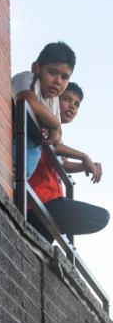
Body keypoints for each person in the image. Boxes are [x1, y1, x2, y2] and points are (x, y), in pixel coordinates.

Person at [25, 82, 109, 243]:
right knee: (100, 217)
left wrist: (84, 166)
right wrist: (84, 157)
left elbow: (63, 164)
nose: (72, 107)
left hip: (50, 202)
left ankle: (48, 229)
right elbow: (55, 147)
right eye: (67, 100)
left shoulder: (58, 134)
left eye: (76, 104)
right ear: (56, 100)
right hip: (42, 199)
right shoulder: (45, 118)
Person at [12, 41, 75, 178]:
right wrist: (53, 123)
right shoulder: (28, 78)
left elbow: (57, 139)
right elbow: (27, 99)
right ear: (36, 68)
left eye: (64, 77)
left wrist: (54, 127)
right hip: (7, 157)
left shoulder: (54, 102)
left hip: (22, 175)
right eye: (52, 72)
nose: (58, 81)